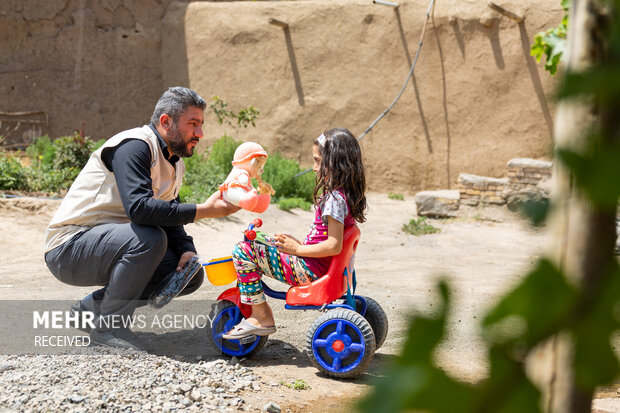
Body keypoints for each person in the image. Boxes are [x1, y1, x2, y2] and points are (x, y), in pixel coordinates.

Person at [44, 87, 240, 350]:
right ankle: (107, 328)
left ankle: (90, 310)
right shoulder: (135, 146)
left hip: (110, 244)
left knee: (188, 274)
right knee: (149, 238)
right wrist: (203, 210)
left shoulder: (174, 162)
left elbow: (169, 214)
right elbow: (140, 209)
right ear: (165, 121)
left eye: (201, 125)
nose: (200, 134)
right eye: (193, 124)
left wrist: (186, 250)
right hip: (70, 247)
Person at [223, 128, 367, 339]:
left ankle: (260, 316)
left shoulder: (334, 200)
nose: (314, 168)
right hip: (318, 264)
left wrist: (298, 249)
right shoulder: (343, 196)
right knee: (266, 241)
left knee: (243, 251)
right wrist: (297, 245)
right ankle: (257, 310)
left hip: (310, 271)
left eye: (318, 161)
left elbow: (334, 245)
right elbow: (328, 242)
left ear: (336, 164)